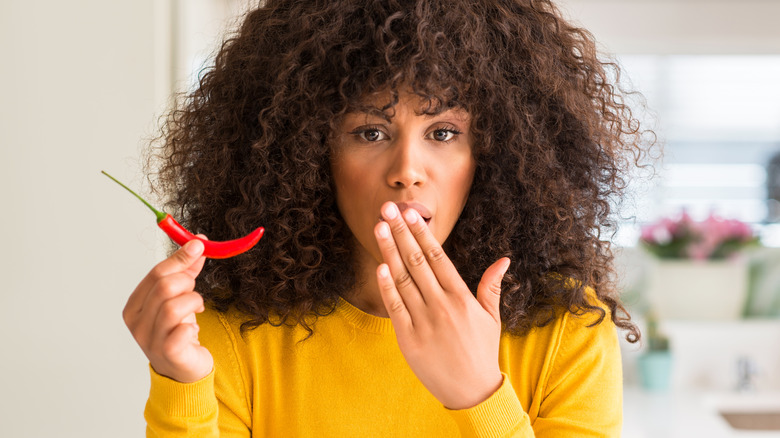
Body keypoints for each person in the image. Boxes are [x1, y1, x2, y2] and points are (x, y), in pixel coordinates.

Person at [124, 0, 651, 436]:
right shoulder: (234, 331)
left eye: (443, 133)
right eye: (370, 133)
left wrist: (477, 394)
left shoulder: (567, 328)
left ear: (492, 155)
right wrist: (181, 383)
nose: (406, 172)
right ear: (309, 154)